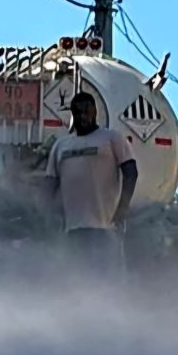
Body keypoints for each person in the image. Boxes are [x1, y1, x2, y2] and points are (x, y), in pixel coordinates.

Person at [46, 91, 138, 278]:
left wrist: (122, 208)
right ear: (72, 114)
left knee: (107, 279)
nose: (83, 116)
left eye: (86, 111)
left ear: (95, 112)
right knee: (75, 280)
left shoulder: (111, 138)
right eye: (78, 112)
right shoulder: (61, 146)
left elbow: (131, 173)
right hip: (73, 230)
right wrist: (49, 217)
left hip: (105, 228)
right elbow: (49, 184)